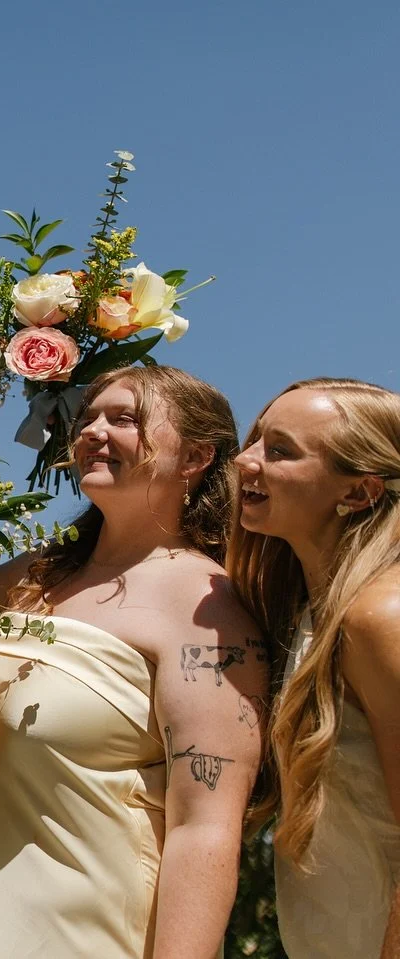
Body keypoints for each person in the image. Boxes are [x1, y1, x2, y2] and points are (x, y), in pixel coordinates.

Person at [0, 366, 266, 958]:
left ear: (195, 457)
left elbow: (205, 827)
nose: (92, 431)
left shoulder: (208, 609)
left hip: (90, 926)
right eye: (87, 417)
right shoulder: (27, 578)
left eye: (125, 418)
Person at [229, 378, 400, 958]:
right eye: (255, 442)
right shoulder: (311, 613)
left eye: (279, 451)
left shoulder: (381, 616)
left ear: (360, 493)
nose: (243, 461)